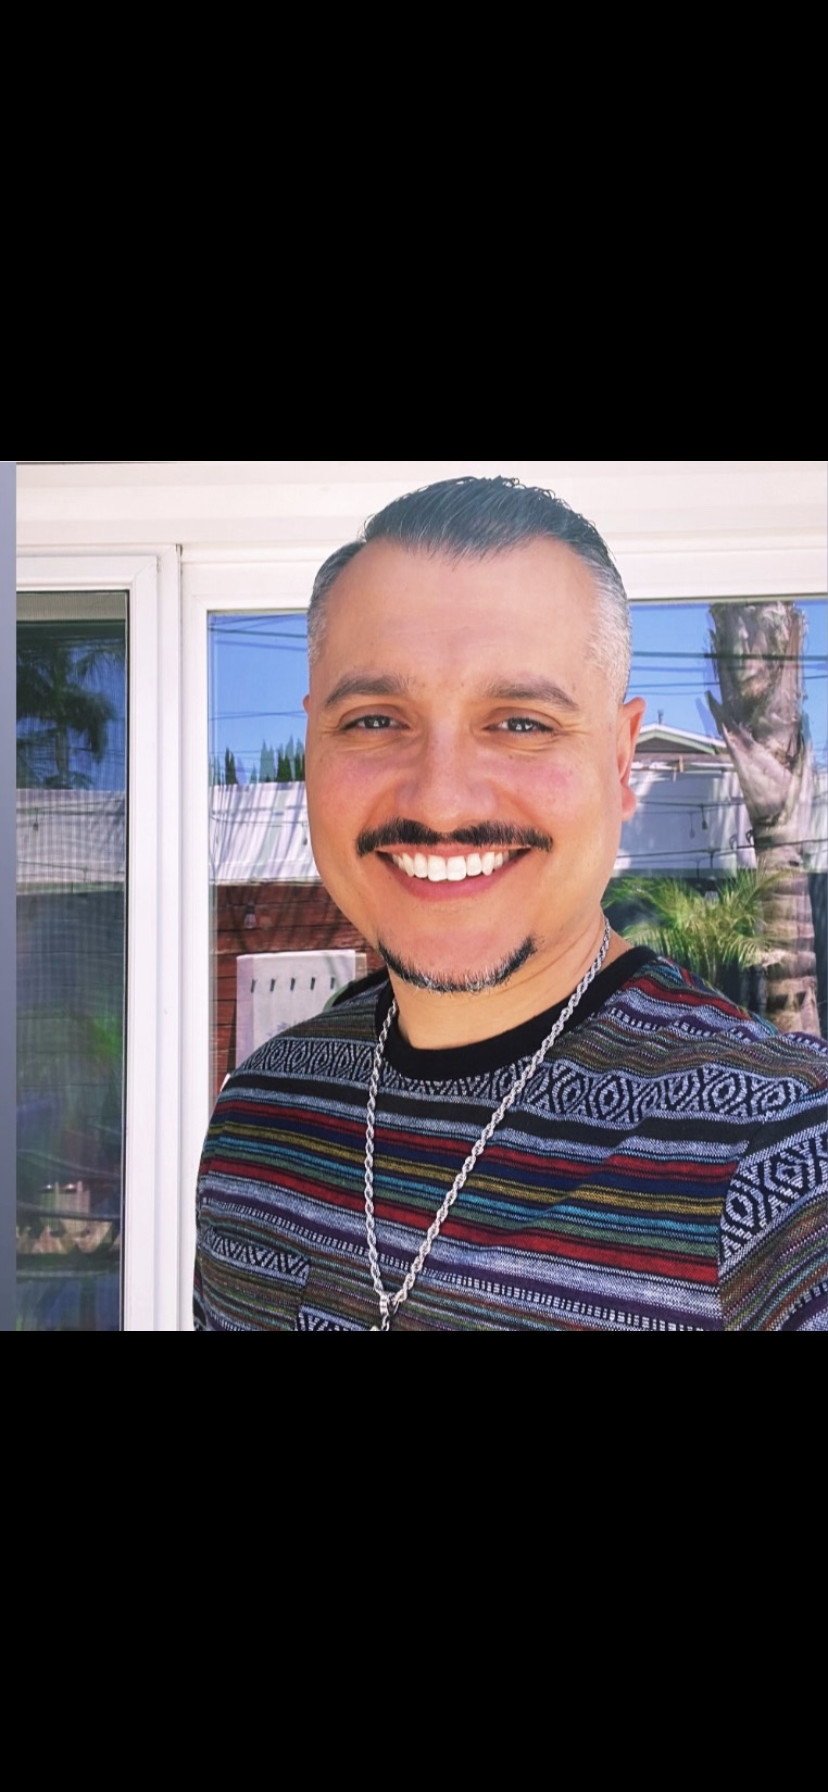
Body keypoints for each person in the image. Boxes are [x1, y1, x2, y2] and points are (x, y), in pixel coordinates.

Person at [194, 476, 827, 1331]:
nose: (442, 801)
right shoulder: (257, 1121)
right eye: (376, 720)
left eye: (521, 722)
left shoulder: (782, 1162)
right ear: (312, 744)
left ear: (619, 759)